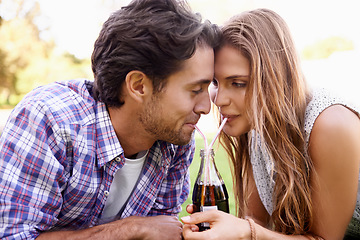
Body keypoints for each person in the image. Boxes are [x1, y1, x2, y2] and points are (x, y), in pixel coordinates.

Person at [0, 0, 221, 239]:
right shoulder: (50, 122)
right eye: (194, 90)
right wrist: (131, 229)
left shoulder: (174, 139)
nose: (206, 108)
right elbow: (13, 236)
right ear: (138, 86)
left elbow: (161, 231)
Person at [182, 8, 360, 240]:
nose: (218, 99)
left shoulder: (331, 125)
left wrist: (247, 231)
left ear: (275, 78)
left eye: (238, 83)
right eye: (216, 82)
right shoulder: (256, 127)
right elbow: (255, 220)